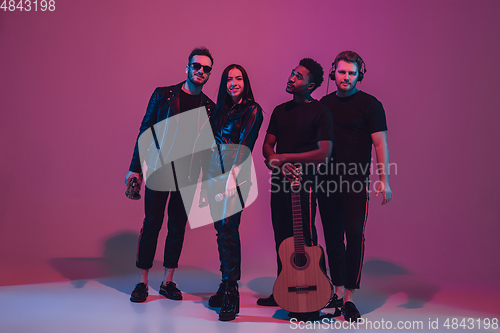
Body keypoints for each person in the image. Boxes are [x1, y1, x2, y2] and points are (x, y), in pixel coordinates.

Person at [126, 47, 216, 303]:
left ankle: (167, 281)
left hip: (187, 175)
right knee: (152, 224)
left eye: (206, 68)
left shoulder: (210, 107)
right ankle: (142, 282)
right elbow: (146, 130)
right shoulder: (163, 95)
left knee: (177, 227)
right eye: (196, 66)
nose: (200, 71)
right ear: (187, 67)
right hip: (158, 169)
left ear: (209, 73)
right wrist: (135, 167)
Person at [317, 50, 392, 322]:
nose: (346, 77)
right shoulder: (323, 103)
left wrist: (384, 180)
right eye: (341, 72)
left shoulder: (371, 105)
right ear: (332, 72)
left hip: (355, 182)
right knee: (333, 237)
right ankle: (336, 293)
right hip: (325, 182)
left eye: (351, 72)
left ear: (360, 74)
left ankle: (349, 296)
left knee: (354, 235)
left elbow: (380, 143)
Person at [259, 58, 334, 318]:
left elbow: (324, 154)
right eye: (292, 73)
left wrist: (284, 158)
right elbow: (267, 147)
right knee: (281, 235)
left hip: (306, 183)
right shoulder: (280, 110)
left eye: (298, 77)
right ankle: (285, 288)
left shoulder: (321, 112)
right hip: (280, 181)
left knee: (305, 239)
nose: (291, 78)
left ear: (311, 85)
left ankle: (312, 292)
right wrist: (276, 162)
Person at [200, 64, 263, 321]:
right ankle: (225, 283)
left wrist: (231, 179)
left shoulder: (253, 110)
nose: (233, 83)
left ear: (245, 82)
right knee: (221, 229)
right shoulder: (219, 110)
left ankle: (232, 291)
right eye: (229, 79)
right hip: (215, 174)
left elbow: (244, 146)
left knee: (228, 228)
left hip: (235, 176)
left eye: (238, 78)